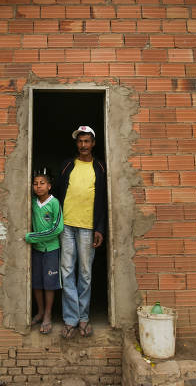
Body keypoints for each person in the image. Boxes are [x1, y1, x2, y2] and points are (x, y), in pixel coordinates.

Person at [56, 125, 107, 339]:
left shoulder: (100, 168)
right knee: (66, 271)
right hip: (66, 225)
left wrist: (100, 228)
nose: (83, 145)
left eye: (87, 141)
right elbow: (58, 194)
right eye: (80, 141)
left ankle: (83, 318)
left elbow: (103, 201)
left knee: (85, 273)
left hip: (88, 227)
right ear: (76, 144)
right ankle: (70, 319)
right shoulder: (67, 165)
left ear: (93, 143)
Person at [24, 170, 63, 334]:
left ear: (49, 186)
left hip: (51, 250)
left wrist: (32, 237)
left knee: (50, 284)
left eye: (42, 183)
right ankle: (39, 312)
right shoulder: (32, 203)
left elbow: (57, 229)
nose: (38, 186)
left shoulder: (54, 203)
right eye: (35, 183)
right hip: (37, 251)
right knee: (37, 283)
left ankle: (48, 315)